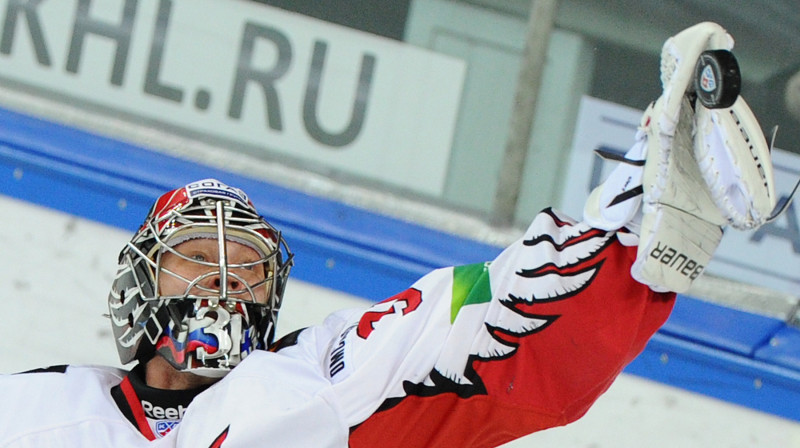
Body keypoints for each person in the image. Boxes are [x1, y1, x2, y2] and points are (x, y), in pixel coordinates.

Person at [0, 22, 780, 447]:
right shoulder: (38, 410)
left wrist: (627, 216)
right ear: (140, 285)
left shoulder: (306, 383)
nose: (223, 282)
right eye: (198, 258)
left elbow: (467, 311)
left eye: (247, 270)